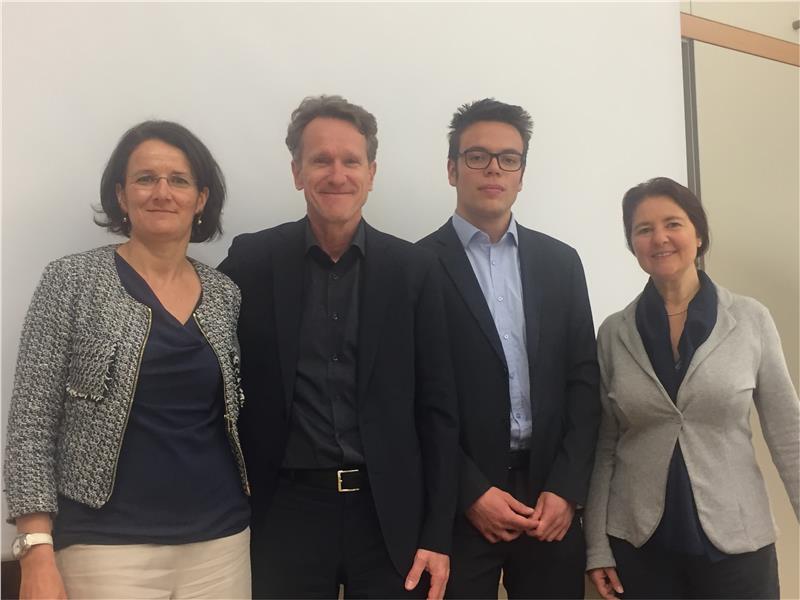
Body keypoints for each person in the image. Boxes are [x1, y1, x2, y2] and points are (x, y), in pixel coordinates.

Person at [218, 95, 458, 599]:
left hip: (389, 515)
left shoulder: (414, 271)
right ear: (297, 172)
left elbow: (438, 410)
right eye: (320, 160)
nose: (337, 175)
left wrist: (438, 533)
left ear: (371, 173)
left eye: (351, 161)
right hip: (285, 513)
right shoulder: (252, 261)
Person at [3, 120, 251, 599]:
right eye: (145, 178)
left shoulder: (224, 294)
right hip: (105, 548)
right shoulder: (71, 281)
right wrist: (35, 550)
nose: (162, 192)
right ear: (121, 194)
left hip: (219, 543)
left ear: (201, 198)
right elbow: (31, 424)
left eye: (179, 180)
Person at [418, 98, 600, 599]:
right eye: (477, 156)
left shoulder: (561, 263)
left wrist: (567, 488)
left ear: (522, 174)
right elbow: (410, 398)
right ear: (452, 169)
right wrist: (469, 491)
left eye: (509, 158)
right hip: (461, 504)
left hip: (549, 501)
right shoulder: (414, 267)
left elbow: (584, 383)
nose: (494, 168)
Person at [584, 177, 800, 599]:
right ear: (632, 244)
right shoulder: (614, 333)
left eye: (673, 224)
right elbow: (605, 445)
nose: (659, 238)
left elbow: (788, 433)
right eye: (644, 229)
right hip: (640, 546)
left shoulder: (750, 319)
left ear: (698, 234)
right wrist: (597, 547)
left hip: (737, 541)